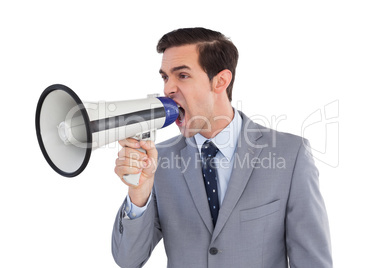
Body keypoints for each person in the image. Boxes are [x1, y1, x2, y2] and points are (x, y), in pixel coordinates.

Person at [112, 27, 332, 268]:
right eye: (165, 77)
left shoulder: (291, 155)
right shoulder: (156, 162)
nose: (168, 89)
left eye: (182, 75)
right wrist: (139, 192)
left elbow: (313, 261)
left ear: (220, 81)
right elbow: (128, 260)